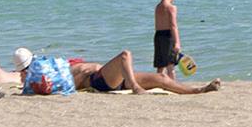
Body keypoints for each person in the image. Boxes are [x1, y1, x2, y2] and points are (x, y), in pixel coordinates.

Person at [68, 48, 221, 95]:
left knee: (161, 77)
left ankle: (198, 90)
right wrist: (84, 74)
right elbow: (72, 84)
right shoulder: (67, 69)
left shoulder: (72, 64)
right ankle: (135, 87)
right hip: (99, 81)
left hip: (117, 79)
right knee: (125, 55)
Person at [154, 0, 182, 70]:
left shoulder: (158, 7)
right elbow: (173, 26)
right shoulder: (171, 8)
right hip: (168, 37)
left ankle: (159, 80)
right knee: (170, 67)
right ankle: (171, 80)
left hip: (158, 36)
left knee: (160, 67)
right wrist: (177, 43)